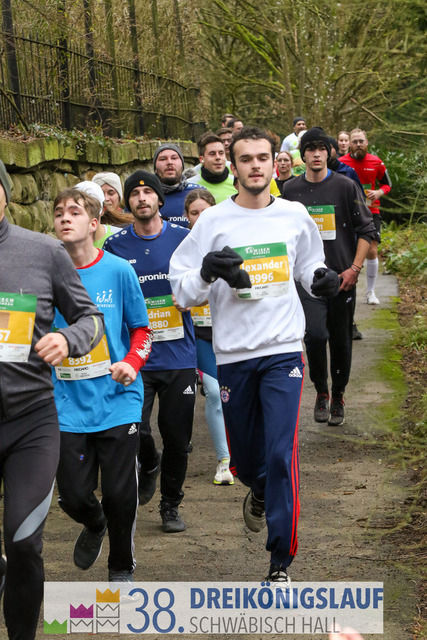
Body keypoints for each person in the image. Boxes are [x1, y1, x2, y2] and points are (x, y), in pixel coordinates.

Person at [170, 127, 338, 582]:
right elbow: (182, 290)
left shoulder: (294, 214)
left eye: (263, 157)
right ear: (233, 165)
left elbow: (309, 265)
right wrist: (206, 273)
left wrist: (320, 279)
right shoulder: (212, 221)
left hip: (283, 351)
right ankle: (259, 489)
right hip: (233, 356)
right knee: (246, 461)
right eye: (246, 159)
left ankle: (280, 562)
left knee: (282, 454)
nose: (256, 166)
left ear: (274, 162)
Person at [0, 160, 104, 640]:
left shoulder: (43, 253)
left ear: (5, 193)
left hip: (30, 422)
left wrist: (67, 338)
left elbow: (90, 318)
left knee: (24, 542)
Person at [52, 187, 152, 584]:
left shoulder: (118, 270)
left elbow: (142, 330)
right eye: (59, 212)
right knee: (72, 495)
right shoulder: (46, 274)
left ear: (94, 224)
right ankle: (95, 523)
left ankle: (121, 566)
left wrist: (131, 362)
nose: (65, 217)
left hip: (117, 398)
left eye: (74, 211)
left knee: (119, 493)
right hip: (66, 402)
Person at [104, 171, 197, 534]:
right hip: (135, 358)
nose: (142, 198)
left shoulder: (183, 238)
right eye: (135, 193)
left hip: (178, 354)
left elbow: (203, 283)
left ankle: (171, 504)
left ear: (160, 199)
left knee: (177, 437)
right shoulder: (115, 246)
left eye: (148, 192)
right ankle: (149, 461)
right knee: (136, 429)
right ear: (127, 203)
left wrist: (192, 297)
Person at [283, 127, 377, 426]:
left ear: (329, 152)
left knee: (340, 340)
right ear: (303, 155)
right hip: (307, 280)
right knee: (315, 335)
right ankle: (321, 391)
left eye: (321, 148)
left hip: (342, 278)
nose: (316, 154)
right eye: (310, 149)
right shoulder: (290, 190)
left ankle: (338, 395)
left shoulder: (346, 186)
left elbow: (367, 230)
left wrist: (355, 269)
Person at [184, 188, 233, 485]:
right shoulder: (181, 249)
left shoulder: (230, 241)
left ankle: (246, 451)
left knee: (235, 394)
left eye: (205, 211)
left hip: (231, 334)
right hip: (199, 336)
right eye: (194, 213)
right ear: (187, 217)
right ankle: (223, 460)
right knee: (214, 392)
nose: (200, 217)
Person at [340, 129, 392, 305]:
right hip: (348, 212)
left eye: (361, 141)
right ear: (349, 144)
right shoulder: (342, 163)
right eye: (355, 142)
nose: (358, 145)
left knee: (371, 250)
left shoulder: (376, 162)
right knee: (348, 251)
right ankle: (346, 287)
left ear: (367, 142)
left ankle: (370, 292)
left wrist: (379, 192)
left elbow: (387, 184)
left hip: (371, 211)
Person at [153, 143, 202, 228]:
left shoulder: (198, 192)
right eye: (163, 159)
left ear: (182, 165)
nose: (169, 162)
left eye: (174, 158)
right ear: (155, 168)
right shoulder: (146, 195)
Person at [188, 133, 237, 203]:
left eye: (221, 153)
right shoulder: (190, 185)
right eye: (212, 154)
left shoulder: (238, 184)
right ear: (201, 159)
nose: (218, 157)